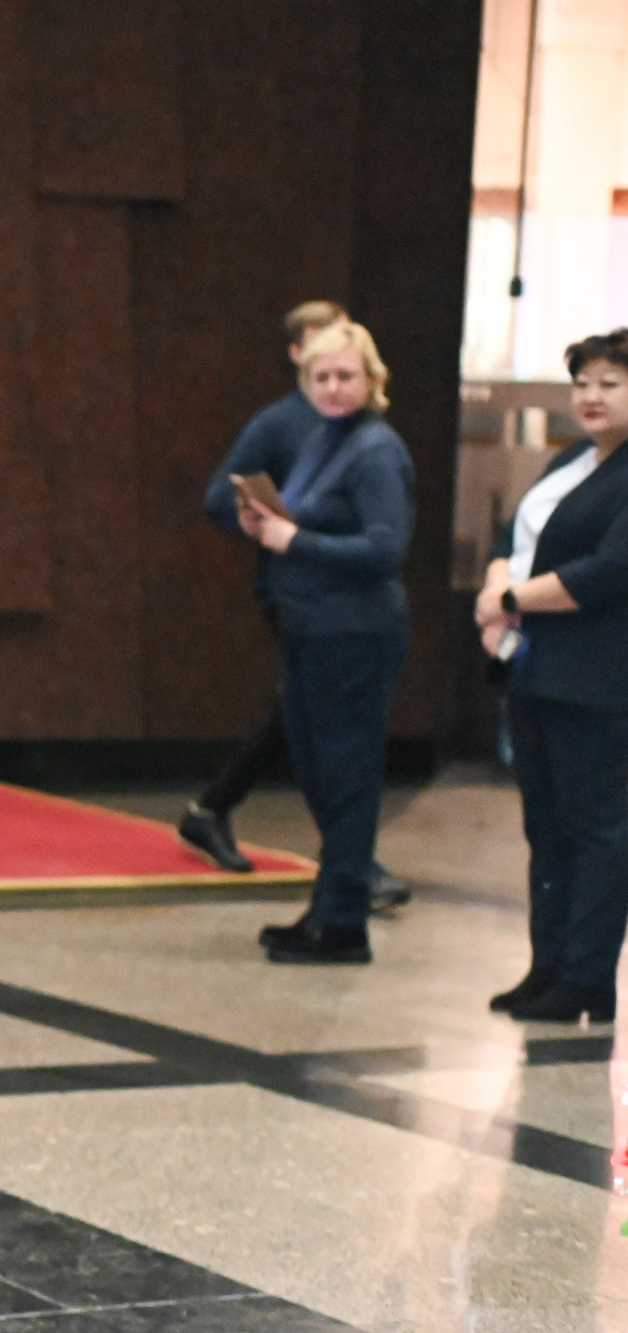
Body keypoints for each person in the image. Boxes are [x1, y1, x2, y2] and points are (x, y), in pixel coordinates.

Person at [181, 303, 414, 912]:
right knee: (317, 763)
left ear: (371, 380)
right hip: (308, 616)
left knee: (342, 769)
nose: (333, 387)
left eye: (345, 375)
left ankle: (343, 907)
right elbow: (225, 500)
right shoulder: (311, 435)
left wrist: (294, 539)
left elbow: (385, 547)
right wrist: (264, 521)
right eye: (322, 376)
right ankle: (334, 903)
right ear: (301, 373)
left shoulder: (372, 449)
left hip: (350, 626)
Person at [475, 328, 628, 1025]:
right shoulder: (569, 460)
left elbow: (606, 573)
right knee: (547, 826)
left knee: (597, 828)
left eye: (610, 383)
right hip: (535, 669)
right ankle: (549, 964)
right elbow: (514, 538)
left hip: (598, 677)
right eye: (584, 383)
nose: (591, 397)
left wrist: (509, 600)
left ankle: (588, 974)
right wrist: (495, 586)